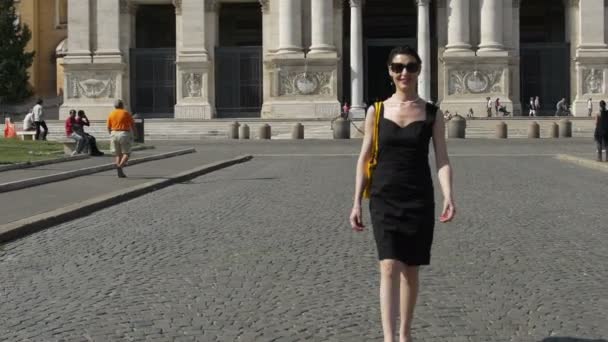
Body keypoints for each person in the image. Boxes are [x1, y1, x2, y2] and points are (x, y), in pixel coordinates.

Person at [350, 46, 455, 342]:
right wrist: (356, 201)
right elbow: (364, 157)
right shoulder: (377, 110)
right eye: (398, 68)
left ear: (419, 70)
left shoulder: (433, 113)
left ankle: (405, 334)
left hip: (418, 197)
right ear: (389, 72)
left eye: (410, 67)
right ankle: (389, 339)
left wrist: (448, 195)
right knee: (388, 265)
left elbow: (442, 158)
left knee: (411, 269)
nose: (404, 73)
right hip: (384, 196)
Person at [106, 99, 135, 178]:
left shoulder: (111, 114)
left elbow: (108, 126)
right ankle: (120, 166)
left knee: (118, 154)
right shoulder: (125, 113)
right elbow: (132, 124)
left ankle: (120, 173)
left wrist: (111, 134)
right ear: (122, 105)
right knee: (127, 153)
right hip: (123, 133)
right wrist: (135, 133)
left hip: (113, 133)